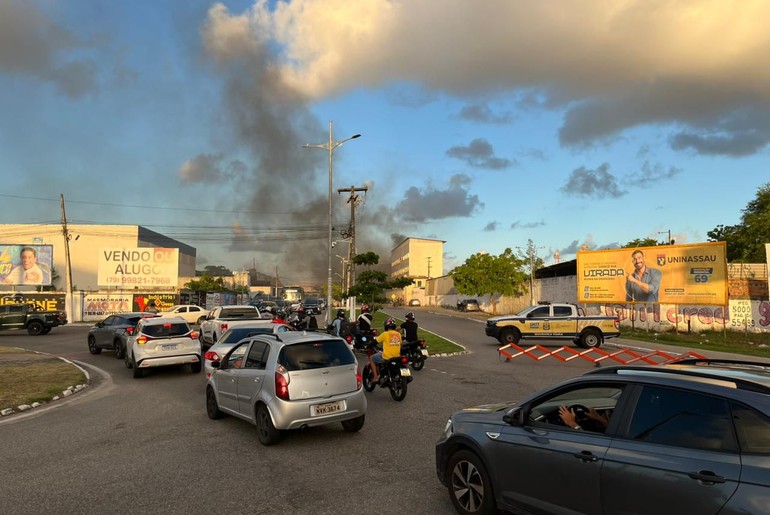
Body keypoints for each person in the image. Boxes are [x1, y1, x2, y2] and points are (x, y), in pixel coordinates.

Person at [369, 317, 403, 384]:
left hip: (387, 357)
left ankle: (375, 377)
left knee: (372, 358)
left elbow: (375, 342)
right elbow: (400, 344)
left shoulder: (385, 334)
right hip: (397, 356)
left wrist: (368, 345)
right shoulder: (398, 334)